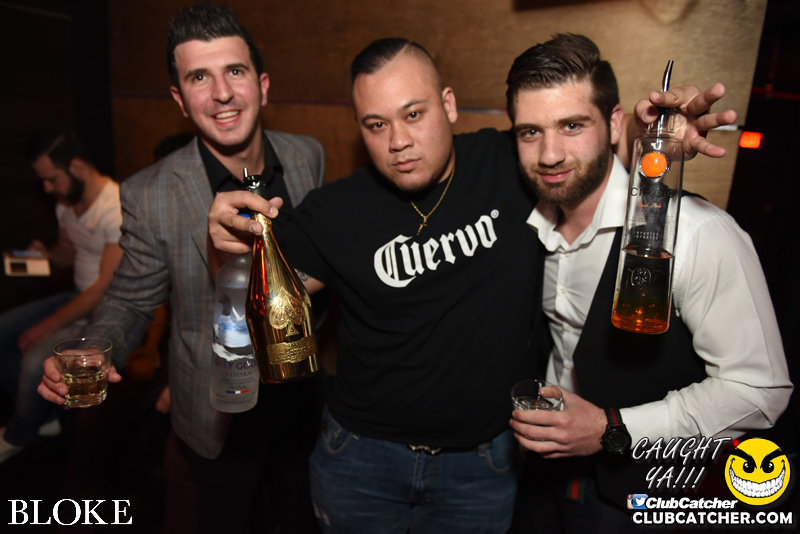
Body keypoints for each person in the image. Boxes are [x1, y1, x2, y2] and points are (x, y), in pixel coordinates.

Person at [201, 38, 736, 533]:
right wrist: (226, 242)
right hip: (361, 458)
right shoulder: (334, 211)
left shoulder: (516, 161)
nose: (399, 141)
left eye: (414, 114)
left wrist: (654, 144)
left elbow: (584, 158)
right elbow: (251, 297)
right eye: (376, 124)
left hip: (482, 465)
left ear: (449, 104)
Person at [39, 4, 326, 533]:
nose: (221, 93)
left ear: (262, 85)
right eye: (199, 77)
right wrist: (97, 346)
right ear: (179, 99)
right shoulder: (150, 194)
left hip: (303, 400)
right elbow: (129, 300)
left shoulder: (308, 155)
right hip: (219, 414)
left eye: (234, 71)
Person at [504, 34, 792, 532]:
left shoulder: (696, 233)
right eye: (531, 131)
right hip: (541, 481)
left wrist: (613, 428)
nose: (550, 154)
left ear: (615, 123)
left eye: (572, 125)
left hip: (641, 495)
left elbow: (759, 391)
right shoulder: (527, 222)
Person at [0, 126, 123, 464]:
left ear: (77, 166)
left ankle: (19, 433)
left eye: (51, 179)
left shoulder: (115, 207)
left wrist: (47, 326)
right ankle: (41, 417)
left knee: (34, 359)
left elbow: (103, 287)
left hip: (102, 304)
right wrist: (45, 256)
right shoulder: (65, 202)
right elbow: (67, 253)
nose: (46, 188)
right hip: (74, 293)